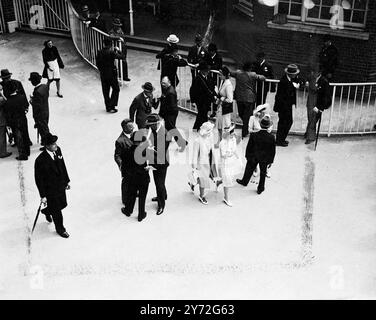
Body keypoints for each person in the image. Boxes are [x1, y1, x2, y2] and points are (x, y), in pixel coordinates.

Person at [34, 133, 71, 238]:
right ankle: (60, 229)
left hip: (60, 185)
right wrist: (43, 196)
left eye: (55, 143)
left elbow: (62, 165)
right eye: (53, 144)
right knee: (57, 211)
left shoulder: (58, 150)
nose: (56, 145)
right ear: (47, 146)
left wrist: (66, 181)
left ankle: (46, 211)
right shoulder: (40, 161)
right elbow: (39, 180)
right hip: (50, 190)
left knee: (63, 204)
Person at [236, 116, 276, 194]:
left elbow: (249, 147)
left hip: (253, 156)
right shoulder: (271, 137)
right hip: (264, 158)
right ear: (268, 126)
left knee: (248, 170)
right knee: (263, 173)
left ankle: (244, 181)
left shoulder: (254, 135)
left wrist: (247, 155)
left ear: (260, 125)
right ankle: (260, 188)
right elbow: (272, 150)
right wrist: (271, 161)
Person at [231, 61, 266, 138]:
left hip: (239, 98)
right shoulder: (252, 74)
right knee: (247, 116)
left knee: (241, 114)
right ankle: (246, 129)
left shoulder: (238, 73)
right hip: (249, 98)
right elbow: (262, 78)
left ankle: (246, 129)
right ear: (250, 68)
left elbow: (230, 73)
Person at [122, 130, 150, 222]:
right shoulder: (145, 151)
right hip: (143, 178)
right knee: (142, 196)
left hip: (132, 178)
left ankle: (128, 210)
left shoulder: (127, 151)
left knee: (131, 195)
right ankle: (141, 214)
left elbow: (124, 166)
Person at [145, 114, 171, 216]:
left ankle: (161, 205)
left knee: (158, 183)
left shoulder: (163, 134)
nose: (149, 127)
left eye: (150, 125)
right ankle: (163, 195)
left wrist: (148, 149)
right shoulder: (157, 130)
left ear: (156, 124)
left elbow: (160, 152)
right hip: (157, 160)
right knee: (160, 182)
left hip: (160, 163)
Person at [190, 121, 221, 205]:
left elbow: (212, 148)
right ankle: (201, 196)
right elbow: (195, 154)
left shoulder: (210, 137)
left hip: (210, 160)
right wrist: (194, 166)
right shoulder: (197, 141)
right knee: (203, 179)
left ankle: (192, 183)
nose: (210, 133)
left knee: (211, 176)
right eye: (209, 131)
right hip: (201, 163)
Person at [0, 69, 32, 146]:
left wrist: (26, 107)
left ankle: (27, 141)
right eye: (5, 78)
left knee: (23, 126)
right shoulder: (0, 85)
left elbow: (23, 95)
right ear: (2, 78)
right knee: (12, 126)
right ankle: (16, 140)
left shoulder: (17, 83)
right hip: (8, 109)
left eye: (8, 77)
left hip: (18, 108)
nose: (7, 79)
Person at [273, 64, 302, 147]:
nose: (296, 75)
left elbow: (299, 80)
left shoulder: (290, 79)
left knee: (286, 122)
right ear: (291, 74)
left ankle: (281, 139)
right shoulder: (284, 81)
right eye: (295, 73)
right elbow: (280, 96)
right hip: (283, 107)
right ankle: (279, 140)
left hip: (287, 105)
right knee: (284, 123)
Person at [96, 38, 125, 113]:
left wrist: (101, 70)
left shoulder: (99, 52)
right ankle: (112, 105)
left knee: (105, 91)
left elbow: (98, 64)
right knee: (116, 89)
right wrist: (118, 50)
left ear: (104, 44)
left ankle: (108, 107)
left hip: (103, 74)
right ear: (111, 44)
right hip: (111, 73)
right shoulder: (111, 52)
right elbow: (122, 56)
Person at [3, 81, 30, 160]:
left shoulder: (7, 102)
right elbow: (26, 106)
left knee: (18, 137)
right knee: (25, 134)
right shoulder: (21, 97)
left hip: (14, 121)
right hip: (23, 118)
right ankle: (27, 151)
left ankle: (22, 154)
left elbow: (7, 113)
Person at [159, 76, 187, 150]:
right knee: (169, 128)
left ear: (169, 82)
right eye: (162, 83)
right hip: (170, 113)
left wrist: (163, 114)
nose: (163, 84)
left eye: (164, 83)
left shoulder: (170, 92)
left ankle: (182, 143)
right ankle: (167, 140)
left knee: (172, 128)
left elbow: (170, 106)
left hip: (170, 114)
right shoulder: (168, 89)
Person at [305, 69, 332, 144]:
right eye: (312, 71)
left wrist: (320, 107)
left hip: (317, 104)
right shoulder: (311, 78)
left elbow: (325, 96)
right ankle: (308, 133)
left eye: (315, 72)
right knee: (310, 119)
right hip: (310, 103)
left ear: (319, 73)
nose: (312, 73)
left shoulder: (324, 82)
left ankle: (310, 137)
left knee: (313, 121)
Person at [114, 119, 135, 211]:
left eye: (132, 126)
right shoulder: (120, 141)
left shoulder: (135, 135)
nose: (133, 128)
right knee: (126, 182)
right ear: (124, 128)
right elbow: (117, 155)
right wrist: (121, 165)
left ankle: (134, 193)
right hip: (127, 165)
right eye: (130, 126)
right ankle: (125, 199)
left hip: (136, 163)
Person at [219, 123, 242, 207]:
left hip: (231, 162)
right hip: (225, 163)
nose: (233, 135)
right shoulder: (222, 143)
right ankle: (226, 198)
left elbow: (235, 149)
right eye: (231, 134)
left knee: (227, 178)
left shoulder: (233, 140)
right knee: (227, 180)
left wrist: (239, 159)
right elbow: (222, 155)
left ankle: (218, 182)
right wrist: (229, 154)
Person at [190, 62, 217, 131]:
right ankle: (197, 128)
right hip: (200, 100)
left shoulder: (209, 77)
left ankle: (200, 128)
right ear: (202, 70)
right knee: (202, 114)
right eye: (206, 70)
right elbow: (192, 90)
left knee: (203, 114)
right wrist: (193, 100)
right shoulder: (198, 79)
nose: (207, 72)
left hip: (207, 99)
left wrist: (214, 95)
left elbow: (212, 87)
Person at [28, 72, 50, 148]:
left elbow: (37, 106)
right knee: (45, 127)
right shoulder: (45, 86)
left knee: (43, 130)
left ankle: (47, 144)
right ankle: (45, 142)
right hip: (46, 110)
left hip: (40, 115)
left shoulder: (37, 92)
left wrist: (32, 101)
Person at [214, 66, 234, 148]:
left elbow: (230, 99)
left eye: (220, 74)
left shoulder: (228, 84)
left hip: (225, 108)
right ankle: (220, 141)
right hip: (220, 107)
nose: (219, 76)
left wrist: (221, 98)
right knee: (219, 126)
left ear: (225, 75)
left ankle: (227, 142)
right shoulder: (223, 82)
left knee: (226, 125)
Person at [108, 18, 131, 82]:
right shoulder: (112, 31)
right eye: (117, 25)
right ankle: (120, 75)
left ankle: (125, 76)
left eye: (118, 25)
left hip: (123, 47)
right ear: (114, 25)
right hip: (117, 48)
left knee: (124, 61)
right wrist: (119, 38)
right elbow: (110, 36)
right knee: (118, 62)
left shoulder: (120, 30)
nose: (118, 27)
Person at [206, 43, 223, 117]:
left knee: (216, 95)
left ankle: (215, 110)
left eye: (211, 51)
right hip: (209, 78)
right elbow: (203, 62)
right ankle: (209, 107)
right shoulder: (207, 56)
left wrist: (210, 67)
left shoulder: (219, 57)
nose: (210, 52)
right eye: (209, 51)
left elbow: (218, 66)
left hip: (216, 79)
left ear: (214, 51)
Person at [0, 84, 11, 158]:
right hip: (1, 120)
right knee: (2, 137)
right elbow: (6, 101)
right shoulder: (1, 99)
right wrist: (2, 94)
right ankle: (2, 152)